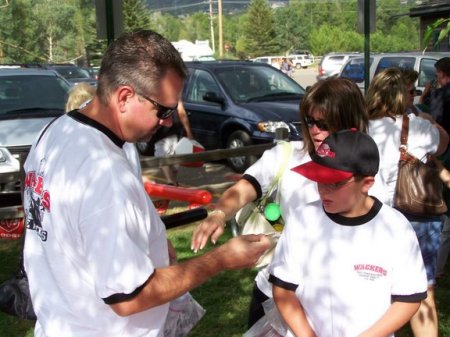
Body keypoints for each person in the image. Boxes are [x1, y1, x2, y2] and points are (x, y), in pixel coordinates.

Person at [22, 30, 271, 337]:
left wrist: (149, 239)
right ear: (125, 96)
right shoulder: (105, 174)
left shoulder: (55, 133)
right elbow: (129, 297)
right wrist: (220, 259)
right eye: (163, 109)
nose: (169, 121)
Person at [191, 77, 369, 328]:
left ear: (349, 122)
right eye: (309, 121)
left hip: (335, 296)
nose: (315, 130)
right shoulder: (287, 155)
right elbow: (244, 188)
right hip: (276, 287)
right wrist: (220, 213)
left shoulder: (367, 170)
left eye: (324, 123)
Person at [269, 129, 427, 337]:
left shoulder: (395, 228)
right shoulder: (303, 220)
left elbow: (409, 298)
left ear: (367, 183)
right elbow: (283, 288)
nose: (323, 189)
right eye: (318, 178)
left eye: (334, 183)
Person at [367, 67, 449, 337]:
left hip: (373, 217)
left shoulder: (361, 128)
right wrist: (429, 120)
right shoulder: (419, 127)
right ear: (402, 97)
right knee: (423, 291)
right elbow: (443, 144)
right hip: (417, 215)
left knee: (373, 284)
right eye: (411, 92)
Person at [153, 99, 193, 186]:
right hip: (173, 130)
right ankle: (172, 181)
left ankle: (171, 182)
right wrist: (189, 132)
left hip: (161, 131)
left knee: (164, 158)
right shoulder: (175, 95)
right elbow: (182, 113)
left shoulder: (155, 93)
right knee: (171, 158)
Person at [423, 57, 450, 133]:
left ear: (441, 74)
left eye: (436, 74)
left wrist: (423, 95)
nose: (436, 77)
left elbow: (434, 122)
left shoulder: (439, 94)